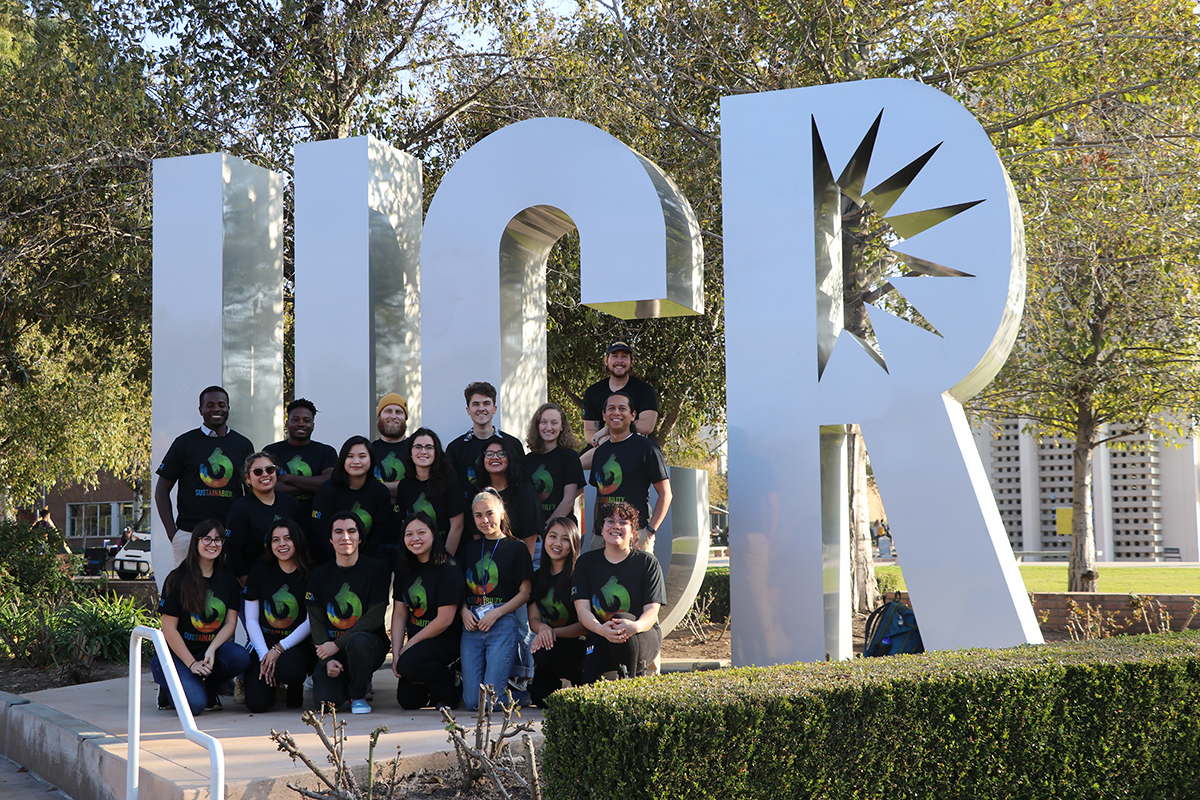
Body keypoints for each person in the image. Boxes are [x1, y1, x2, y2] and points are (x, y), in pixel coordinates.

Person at [152, 519, 250, 714]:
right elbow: (168, 628)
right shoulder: (177, 578)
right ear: (195, 542)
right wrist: (192, 663)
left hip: (207, 653)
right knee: (195, 706)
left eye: (218, 540)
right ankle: (169, 686)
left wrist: (212, 649)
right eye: (206, 539)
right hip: (178, 655)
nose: (212, 544)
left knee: (240, 657)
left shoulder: (227, 578)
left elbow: (230, 622)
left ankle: (208, 685)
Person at [155, 386, 256, 569]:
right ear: (200, 410)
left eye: (221, 405)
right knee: (188, 594)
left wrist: (246, 530)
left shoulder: (243, 444)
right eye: (210, 405)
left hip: (230, 534)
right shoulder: (184, 443)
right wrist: (173, 534)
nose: (216, 409)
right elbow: (162, 488)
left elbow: (251, 493)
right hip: (190, 534)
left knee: (227, 593)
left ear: (228, 408)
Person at [304, 512, 391, 714]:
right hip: (331, 649)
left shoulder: (377, 570)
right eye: (338, 532)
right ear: (330, 539)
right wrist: (326, 659)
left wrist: (336, 645)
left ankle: (358, 694)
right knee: (325, 704)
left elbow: (374, 618)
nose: (345, 537)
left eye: (351, 531)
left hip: (367, 646)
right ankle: (348, 679)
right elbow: (316, 620)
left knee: (359, 642)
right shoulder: (319, 575)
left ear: (360, 538)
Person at [572, 502, 664, 684]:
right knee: (594, 690)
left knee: (622, 620)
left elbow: (652, 612)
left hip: (641, 635)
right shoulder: (586, 563)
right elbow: (582, 611)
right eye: (610, 521)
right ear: (601, 528)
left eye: (623, 522)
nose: (616, 526)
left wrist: (635, 626)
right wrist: (600, 629)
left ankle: (632, 687)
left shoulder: (647, 563)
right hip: (601, 635)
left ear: (633, 531)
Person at [459, 490, 532, 712]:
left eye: (490, 513)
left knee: (489, 703)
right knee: (473, 703)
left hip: (501, 621)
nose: (485, 520)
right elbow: (459, 589)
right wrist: (463, 611)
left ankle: (524, 695)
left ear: (501, 513)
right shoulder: (469, 549)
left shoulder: (516, 547)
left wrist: (497, 613)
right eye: (478, 515)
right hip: (472, 623)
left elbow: (525, 592)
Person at [241, 519, 317, 712]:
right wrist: (264, 655)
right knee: (257, 705)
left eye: (287, 538)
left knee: (289, 669)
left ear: (297, 541)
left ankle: (293, 685)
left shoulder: (311, 573)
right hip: (263, 643)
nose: (281, 544)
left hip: (296, 644)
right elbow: (250, 619)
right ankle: (272, 686)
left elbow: (310, 621)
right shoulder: (259, 572)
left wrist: (280, 649)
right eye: (275, 540)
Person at [391, 512, 464, 710]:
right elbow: (399, 613)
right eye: (409, 534)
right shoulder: (404, 568)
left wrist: (409, 647)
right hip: (418, 644)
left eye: (421, 532)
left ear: (433, 534)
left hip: (445, 639)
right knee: (409, 701)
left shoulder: (448, 567)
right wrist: (396, 652)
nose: (415, 539)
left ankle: (453, 688)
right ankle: (434, 685)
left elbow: (445, 620)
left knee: (409, 664)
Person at [589, 391, 672, 552]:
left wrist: (650, 531)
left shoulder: (647, 449)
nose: (616, 413)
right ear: (604, 415)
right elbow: (599, 496)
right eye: (611, 408)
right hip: (602, 538)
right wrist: (596, 531)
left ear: (633, 415)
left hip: (635, 535)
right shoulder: (600, 452)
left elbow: (666, 494)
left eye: (622, 408)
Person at [528, 516, 586, 706]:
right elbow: (534, 618)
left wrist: (550, 632)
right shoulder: (537, 578)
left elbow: (585, 625)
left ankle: (578, 681)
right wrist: (543, 629)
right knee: (540, 699)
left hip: (580, 646)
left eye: (565, 539)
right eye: (553, 536)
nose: (557, 543)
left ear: (574, 544)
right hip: (553, 643)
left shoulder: (580, 575)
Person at [309, 437, 395, 564]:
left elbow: (379, 532)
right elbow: (320, 531)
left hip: (367, 561)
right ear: (342, 460)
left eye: (362, 456)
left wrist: (360, 561)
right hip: (330, 560)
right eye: (350, 456)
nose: (356, 461)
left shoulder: (380, 491)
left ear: (371, 459)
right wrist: (342, 561)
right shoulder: (327, 490)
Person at [225, 452, 302, 582]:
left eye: (270, 469)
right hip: (255, 580)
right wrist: (248, 586)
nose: (265, 474)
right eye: (258, 472)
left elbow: (301, 541)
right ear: (248, 478)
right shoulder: (240, 509)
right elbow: (234, 554)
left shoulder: (290, 503)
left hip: (291, 579)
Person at [580, 342, 659, 469]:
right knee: (574, 468)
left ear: (631, 361)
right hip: (602, 447)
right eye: (615, 356)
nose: (619, 361)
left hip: (633, 446)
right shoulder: (593, 392)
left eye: (624, 357)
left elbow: (647, 426)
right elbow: (590, 431)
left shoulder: (644, 390)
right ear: (606, 360)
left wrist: (609, 430)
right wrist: (601, 440)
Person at [263, 398, 338, 530]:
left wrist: (288, 478)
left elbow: (329, 482)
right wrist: (312, 485)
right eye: (296, 419)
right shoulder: (271, 451)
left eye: (306, 420)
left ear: (313, 425)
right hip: (280, 523)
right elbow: (269, 486)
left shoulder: (326, 452)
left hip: (316, 524)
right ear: (287, 423)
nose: (301, 424)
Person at [395, 428, 467, 555]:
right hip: (416, 555)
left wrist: (445, 559)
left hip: (446, 554)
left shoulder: (450, 483)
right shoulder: (404, 486)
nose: (423, 451)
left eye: (429, 447)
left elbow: (457, 526)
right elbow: (405, 526)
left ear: (436, 452)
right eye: (418, 447)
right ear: (410, 452)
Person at [445, 382, 524, 495]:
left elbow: (521, 484)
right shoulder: (455, 449)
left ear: (494, 409)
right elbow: (450, 490)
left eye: (486, 403)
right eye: (476, 404)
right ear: (468, 410)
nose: (481, 409)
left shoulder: (513, 445)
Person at [471, 438, 543, 559]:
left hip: (525, 556)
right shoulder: (478, 490)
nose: (495, 457)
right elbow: (477, 535)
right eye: (489, 454)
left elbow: (530, 537)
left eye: (501, 453)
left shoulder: (525, 490)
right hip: (490, 558)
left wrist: (523, 570)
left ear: (510, 458)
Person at [524, 403, 585, 523]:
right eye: (544, 422)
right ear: (537, 426)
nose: (548, 427)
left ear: (562, 426)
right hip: (533, 532)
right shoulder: (527, 460)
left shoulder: (569, 457)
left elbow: (568, 501)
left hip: (562, 529)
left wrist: (548, 527)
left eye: (554, 423)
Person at [372, 393, 410, 503]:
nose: (393, 416)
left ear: (405, 418)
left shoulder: (416, 451)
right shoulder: (369, 451)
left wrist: (378, 488)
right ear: (379, 416)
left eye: (399, 412)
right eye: (388, 411)